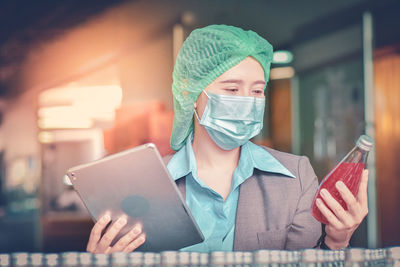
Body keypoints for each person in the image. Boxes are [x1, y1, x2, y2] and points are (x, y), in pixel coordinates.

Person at [86, 25, 369, 254]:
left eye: (257, 91)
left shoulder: (295, 177)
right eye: (232, 89)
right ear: (191, 94)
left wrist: (337, 241)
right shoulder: (146, 185)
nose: (246, 102)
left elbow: (310, 260)